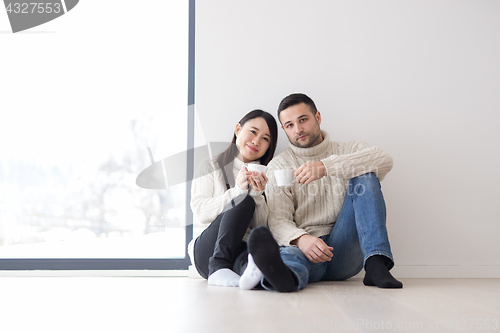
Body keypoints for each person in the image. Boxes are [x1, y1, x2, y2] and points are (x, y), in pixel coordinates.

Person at [246, 93, 403, 292]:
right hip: (308, 249)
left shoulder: (350, 148)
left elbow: (384, 159)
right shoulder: (279, 165)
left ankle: (376, 263)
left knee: (365, 176)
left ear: (317, 117)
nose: (298, 129)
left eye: (303, 120)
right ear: (285, 129)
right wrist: (300, 239)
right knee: (290, 256)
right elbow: (278, 220)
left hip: (347, 248)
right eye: (289, 125)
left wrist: (326, 167)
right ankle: (284, 277)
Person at [188, 109, 278, 288]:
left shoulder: (269, 177)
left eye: (265, 139)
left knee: (255, 268)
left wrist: (258, 195)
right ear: (238, 129)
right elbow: (200, 212)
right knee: (243, 200)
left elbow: (261, 230)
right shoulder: (211, 166)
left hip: (240, 250)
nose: (256, 141)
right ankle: (218, 267)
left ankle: (261, 277)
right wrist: (237, 191)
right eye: (253, 132)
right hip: (208, 251)